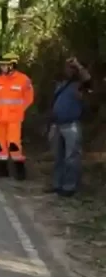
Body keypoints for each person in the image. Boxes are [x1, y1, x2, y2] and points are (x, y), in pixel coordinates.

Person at [47, 57, 91, 197]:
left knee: (71, 157)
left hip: (71, 124)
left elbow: (88, 80)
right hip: (58, 124)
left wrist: (78, 65)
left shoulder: (80, 84)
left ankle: (69, 187)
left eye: (72, 68)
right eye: (67, 67)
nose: (68, 69)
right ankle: (57, 184)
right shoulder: (62, 84)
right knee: (58, 157)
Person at [0, 52, 34, 180]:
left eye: (4, 65)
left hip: (14, 119)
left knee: (14, 144)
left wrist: (19, 109)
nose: (1, 68)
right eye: (1, 65)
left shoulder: (23, 80)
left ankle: (20, 170)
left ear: (12, 65)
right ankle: (2, 169)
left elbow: (29, 98)